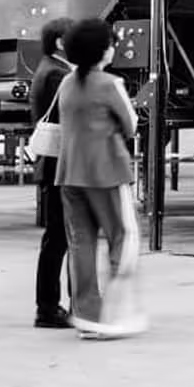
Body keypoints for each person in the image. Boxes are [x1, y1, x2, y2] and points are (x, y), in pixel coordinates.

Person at [57, 18, 146, 341]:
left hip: (70, 173)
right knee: (123, 238)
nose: (113, 48)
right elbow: (131, 125)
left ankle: (86, 317)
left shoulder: (66, 83)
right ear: (102, 51)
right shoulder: (110, 84)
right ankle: (115, 315)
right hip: (106, 172)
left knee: (80, 244)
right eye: (110, 44)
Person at [30, 17, 73, 329]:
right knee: (59, 238)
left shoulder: (49, 68)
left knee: (58, 238)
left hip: (53, 164)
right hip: (60, 165)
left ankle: (49, 306)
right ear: (60, 42)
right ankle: (47, 308)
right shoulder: (57, 74)